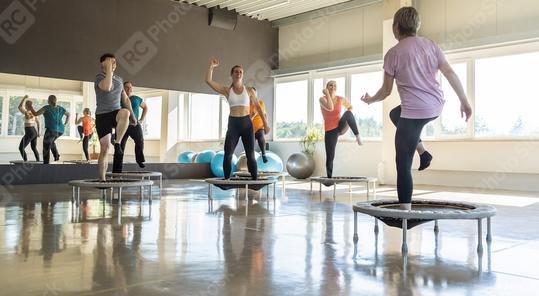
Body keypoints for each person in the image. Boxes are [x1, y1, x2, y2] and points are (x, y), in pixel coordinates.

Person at [361, 7, 472, 210]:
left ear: (396, 28)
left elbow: (386, 91)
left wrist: (370, 100)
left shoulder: (393, 53)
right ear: (416, 26)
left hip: (415, 113)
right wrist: (464, 101)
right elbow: (449, 72)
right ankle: (423, 153)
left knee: (402, 164)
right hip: (436, 105)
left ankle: (405, 213)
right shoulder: (431, 45)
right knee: (395, 113)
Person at [205, 58, 269, 179]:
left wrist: (265, 124)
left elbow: (259, 109)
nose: (238, 73)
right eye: (236, 71)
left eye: (240, 72)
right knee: (228, 154)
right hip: (233, 125)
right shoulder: (227, 91)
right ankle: (227, 180)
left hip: (246, 124)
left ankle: (254, 181)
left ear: (242, 75)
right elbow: (208, 81)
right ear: (232, 74)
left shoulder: (249, 91)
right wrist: (211, 67)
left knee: (250, 155)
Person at [94, 53, 137, 180]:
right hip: (102, 116)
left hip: (115, 113)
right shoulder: (99, 77)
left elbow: (126, 100)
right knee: (105, 148)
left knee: (125, 112)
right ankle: (102, 180)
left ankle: (117, 143)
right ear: (103, 65)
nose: (113, 64)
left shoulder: (119, 79)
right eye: (109, 62)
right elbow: (107, 87)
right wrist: (108, 69)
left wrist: (133, 117)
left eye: (114, 62)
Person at [320, 80, 362, 178]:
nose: (333, 87)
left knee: (348, 113)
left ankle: (357, 136)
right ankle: (329, 179)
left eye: (335, 85)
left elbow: (350, 107)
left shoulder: (340, 99)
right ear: (326, 87)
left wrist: (347, 119)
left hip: (340, 126)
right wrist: (327, 94)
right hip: (330, 131)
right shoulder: (322, 99)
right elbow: (330, 107)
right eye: (330, 85)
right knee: (330, 157)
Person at [29, 95, 69, 164]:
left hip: (51, 130)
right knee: (51, 142)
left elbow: (35, 114)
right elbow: (68, 114)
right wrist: (65, 124)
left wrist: (30, 106)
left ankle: (46, 164)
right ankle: (56, 155)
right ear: (56, 100)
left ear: (48, 101)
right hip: (60, 131)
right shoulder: (60, 108)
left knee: (46, 147)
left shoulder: (46, 108)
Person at [119, 81, 147, 168]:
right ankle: (118, 166)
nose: (129, 89)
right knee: (120, 145)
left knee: (140, 141)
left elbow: (145, 107)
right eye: (127, 87)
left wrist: (141, 119)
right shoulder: (119, 99)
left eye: (130, 87)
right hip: (123, 125)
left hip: (135, 125)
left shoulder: (136, 98)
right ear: (123, 89)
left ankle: (139, 160)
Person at [249, 87, 270, 163]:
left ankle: (264, 154)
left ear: (256, 94)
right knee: (251, 143)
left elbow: (265, 114)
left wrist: (266, 125)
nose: (253, 95)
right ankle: (251, 157)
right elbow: (248, 119)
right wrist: (253, 115)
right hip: (251, 128)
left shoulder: (261, 103)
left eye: (254, 93)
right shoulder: (247, 105)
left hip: (260, 126)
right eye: (251, 94)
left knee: (261, 138)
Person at [18, 95, 40, 162]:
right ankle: (38, 161)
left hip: (29, 131)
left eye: (26, 104)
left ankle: (25, 161)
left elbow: (19, 106)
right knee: (34, 148)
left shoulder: (26, 112)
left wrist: (24, 98)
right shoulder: (34, 113)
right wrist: (38, 133)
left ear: (27, 106)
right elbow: (38, 123)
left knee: (21, 148)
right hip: (34, 131)